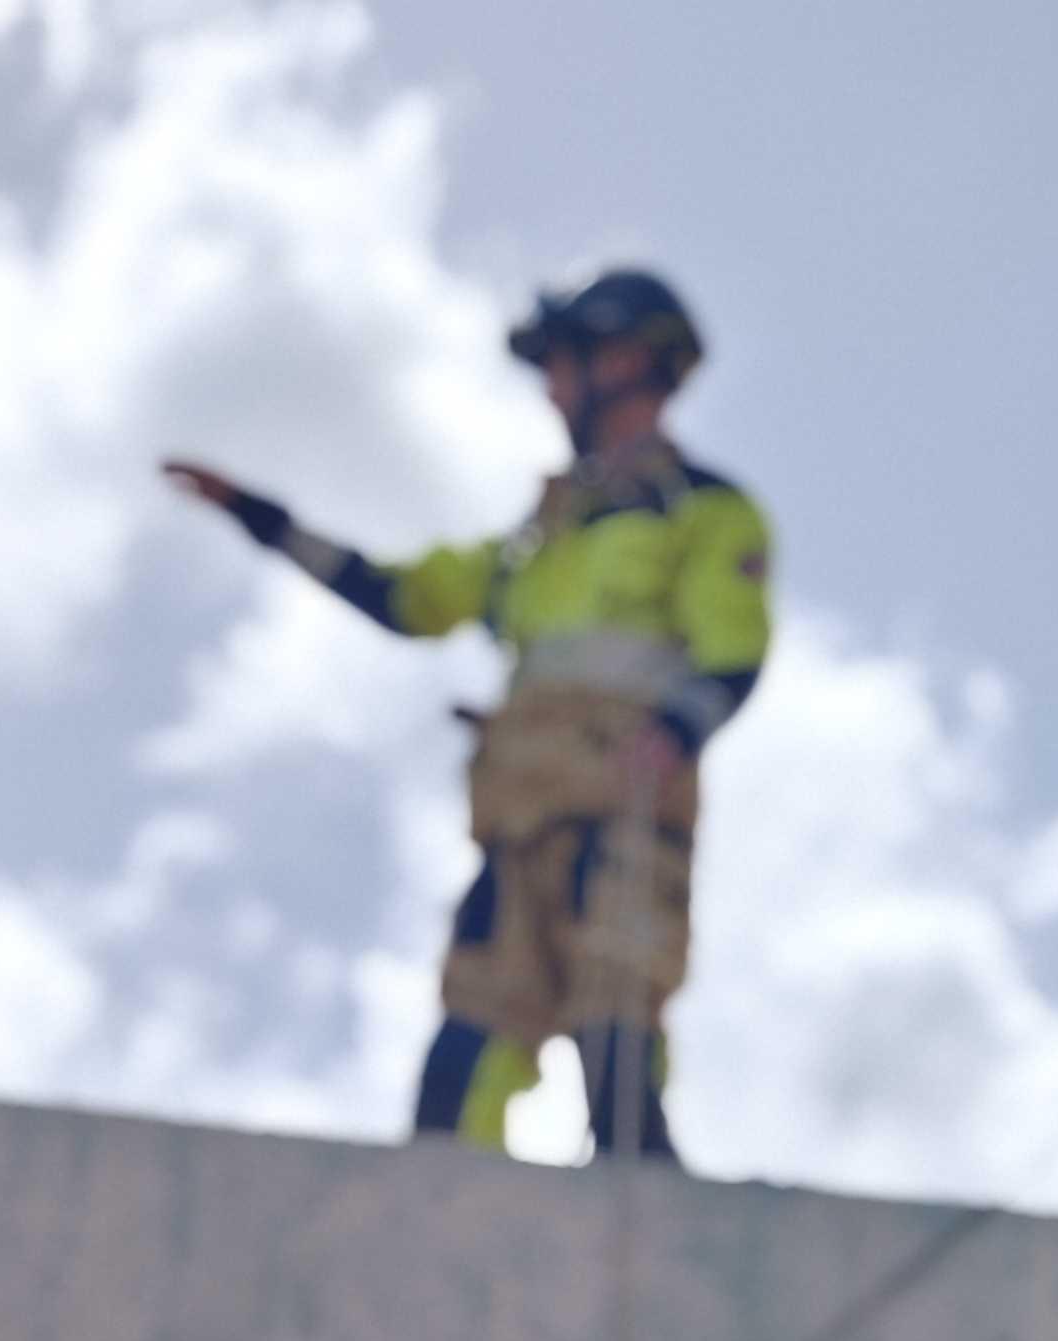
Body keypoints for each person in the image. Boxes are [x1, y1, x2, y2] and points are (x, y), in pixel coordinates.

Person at [163, 269, 768, 1162]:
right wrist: (261, 519)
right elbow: (403, 598)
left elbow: (731, 651)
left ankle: (655, 1260)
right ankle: (439, 1249)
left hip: (621, 814)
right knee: (464, 1060)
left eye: (567, 363)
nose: (554, 390)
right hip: (515, 822)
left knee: (616, 1042)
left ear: (631, 361)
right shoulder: (535, 542)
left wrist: (673, 733)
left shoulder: (704, 513)